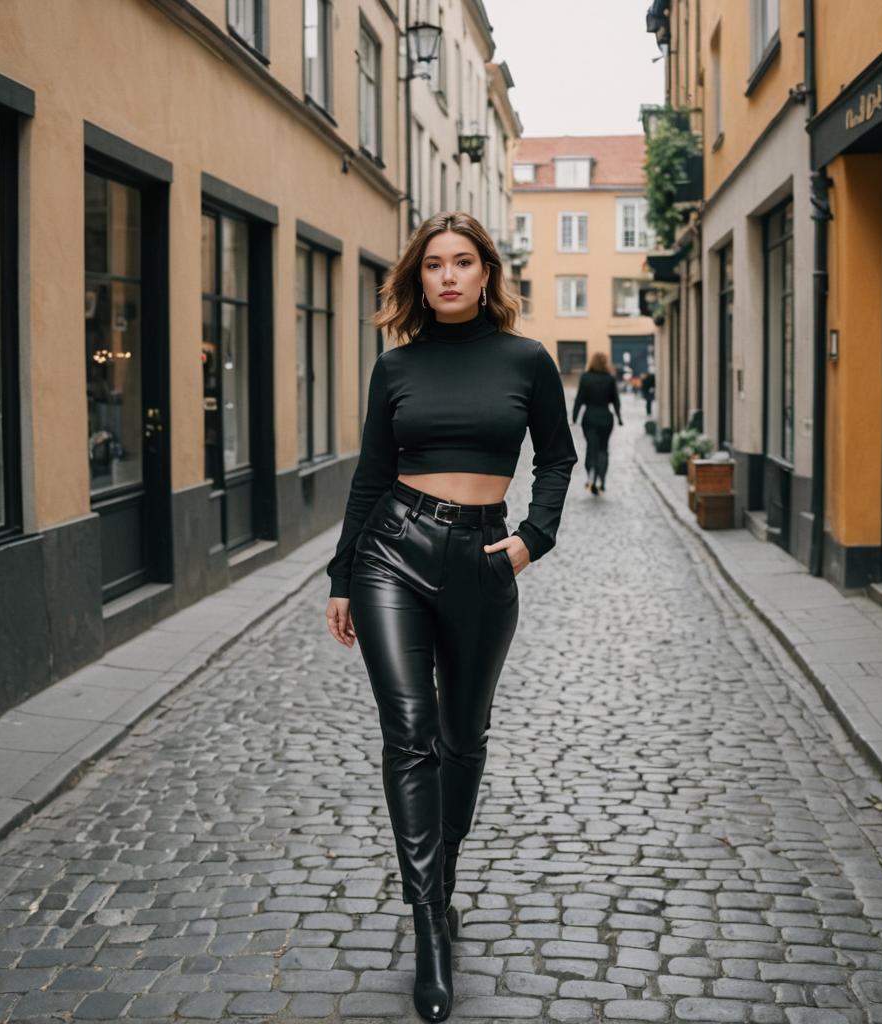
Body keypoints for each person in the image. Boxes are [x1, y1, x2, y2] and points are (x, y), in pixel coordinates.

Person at [324, 211, 578, 1023]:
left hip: (481, 557)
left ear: (487, 272)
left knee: (462, 738)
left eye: (462, 262)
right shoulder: (395, 367)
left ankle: (444, 876)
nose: (447, 276)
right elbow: (370, 474)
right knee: (410, 732)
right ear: (418, 277)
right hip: (391, 553)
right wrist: (341, 575)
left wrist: (529, 540)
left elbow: (558, 457)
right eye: (433, 264)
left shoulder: (526, 360)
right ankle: (429, 922)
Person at [572, 351, 622, 495]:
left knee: (591, 447)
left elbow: (579, 398)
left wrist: (574, 417)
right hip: (606, 417)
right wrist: (619, 417)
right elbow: (615, 400)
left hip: (589, 417)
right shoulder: (610, 379)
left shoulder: (585, 377)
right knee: (603, 449)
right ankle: (602, 480)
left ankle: (591, 475)